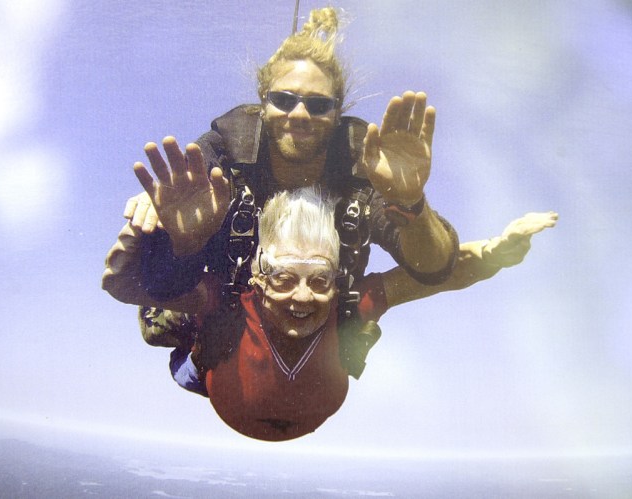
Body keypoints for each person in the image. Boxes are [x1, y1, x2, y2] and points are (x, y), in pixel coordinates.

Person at [103, 7, 459, 364]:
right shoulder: (228, 148)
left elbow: (434, 266)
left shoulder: (361, 166)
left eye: (319, 105)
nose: (300, 115)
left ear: (338, 114)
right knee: (163, 324)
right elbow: (170, 249)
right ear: (262, 103)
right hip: (232, 296)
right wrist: (177, 236)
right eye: (284, 100)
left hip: (311, 306)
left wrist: (411, 202)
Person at [106, 185, 557, 441]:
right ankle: (181, 331)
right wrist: (140, 237)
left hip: (245, 390)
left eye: (320, 280)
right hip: (207, 366)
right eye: (282, 278)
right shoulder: (229, 300)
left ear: (338, 278)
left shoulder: (350, 303)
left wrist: (498, 251)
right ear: (258, 277)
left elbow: (449, 273)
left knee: (353, 322)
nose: (301, 297)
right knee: (173, 328)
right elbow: (124, 284)